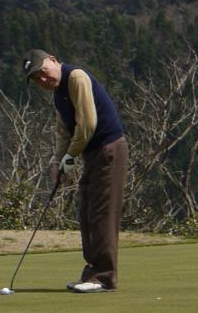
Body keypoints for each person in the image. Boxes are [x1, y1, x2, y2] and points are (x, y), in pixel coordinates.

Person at [21, 49, 127, 293]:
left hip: (109, 150)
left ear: (54, 60)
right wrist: (57, 162)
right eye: (36, 79)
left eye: (43, 72)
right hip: (93, 154)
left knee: (102, 214)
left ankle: (103, 277)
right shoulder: (59, 94)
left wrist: (71, 156)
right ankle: (92, 273)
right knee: (88, 213)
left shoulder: (76, 77)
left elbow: (88, 124)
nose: (43, 80)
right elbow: (64, 133)